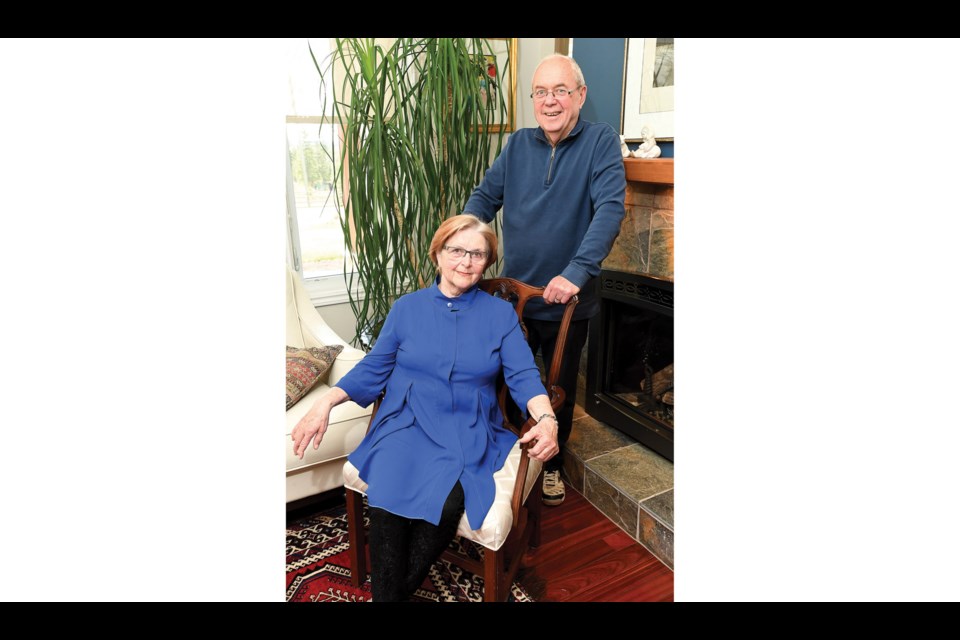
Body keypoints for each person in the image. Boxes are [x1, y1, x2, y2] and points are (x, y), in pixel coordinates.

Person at [290, 214, 560, 602]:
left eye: (478, 254)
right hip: (406, 420)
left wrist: (547, 419)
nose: (466, 262)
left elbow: (523, 377)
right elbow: (375, 366)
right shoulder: (406, 308)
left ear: (487, 262)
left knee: (448, 504)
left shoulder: (499, 315)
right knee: (385, 495)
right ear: (438, 254)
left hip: (466, 426)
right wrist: (326, 403)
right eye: (456, 251)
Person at [463, 54, 626, 507]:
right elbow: (483, 197)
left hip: (567, 302)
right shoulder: (517, 145)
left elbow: (610, 210)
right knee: (506, 384)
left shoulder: (600, 142)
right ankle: (513, 461)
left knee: (557, 390)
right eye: (541, 92)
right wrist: (462, 243)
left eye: (560, 91)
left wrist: (574, 274)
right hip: (512, 300)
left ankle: (551, 467)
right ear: (533, 98)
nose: (550, 101)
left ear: (580, 95)